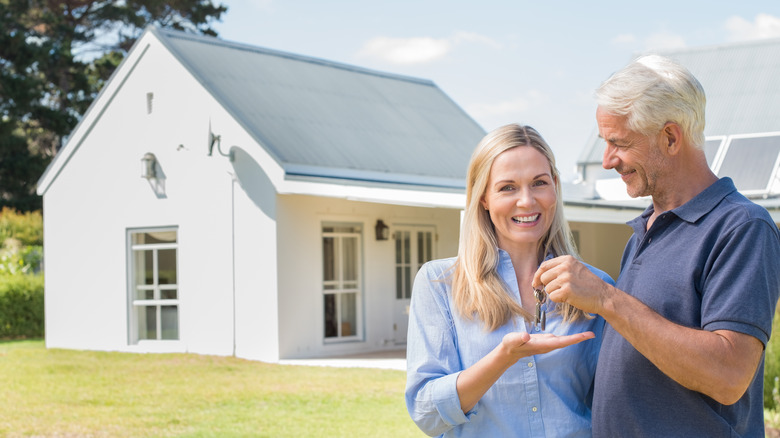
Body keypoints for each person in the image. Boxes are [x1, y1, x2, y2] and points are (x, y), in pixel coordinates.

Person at [533, 55, 780, 437]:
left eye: (619, 143)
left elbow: (729, 376)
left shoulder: (741, 227)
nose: (607, 159)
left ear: (670, 137)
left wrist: (606, 299)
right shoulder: (643, 231)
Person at [405, 124, 615, 437]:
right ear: (483, 198)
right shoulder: (439, 284)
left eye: (539, 183)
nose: (527, 201)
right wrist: (503, 358)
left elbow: (614, 404)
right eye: (507, 188)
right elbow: (427, 413)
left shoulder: (594, 285)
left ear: (555, 187)